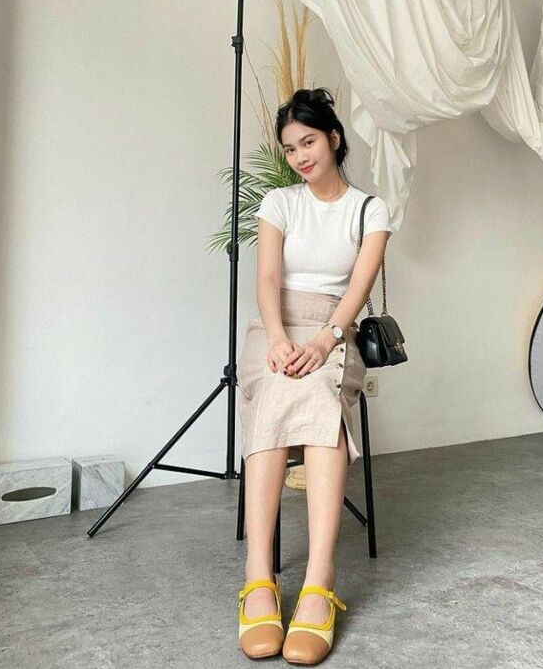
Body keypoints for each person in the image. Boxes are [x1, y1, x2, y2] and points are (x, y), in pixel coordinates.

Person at [236, 87, 392, 665]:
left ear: (334, 138)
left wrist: (325, 340)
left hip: (333, 329)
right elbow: (266, 280)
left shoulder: (370, 209)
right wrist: (280, 340)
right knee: (277, 388)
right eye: (290, 148)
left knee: (323, 402)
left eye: (308, 142)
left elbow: (357, 289)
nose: (300, 156)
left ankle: (319, 581)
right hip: (275, 326)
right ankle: (258, 576)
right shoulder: (279, 202)